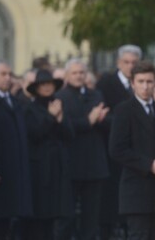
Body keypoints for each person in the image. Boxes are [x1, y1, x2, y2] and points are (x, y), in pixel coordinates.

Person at [109, 61, 155, 240]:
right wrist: (150, 165)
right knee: (139, 235)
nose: (145, 86)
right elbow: (117, 149)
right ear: (132, 83)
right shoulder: (123, 110)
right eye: (140, 81)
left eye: (149, 82)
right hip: (136, 191)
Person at [56, 58, 110, 240]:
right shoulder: (60, 97)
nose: (79, 76)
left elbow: (106, 122)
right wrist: (89, 121)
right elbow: (66, 127)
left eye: (81, 72)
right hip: (71, 165)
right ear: (66, 75)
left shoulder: (96, 95)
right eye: (74, 73)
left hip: (94, 165)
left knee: (91, 219)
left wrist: (99, 119)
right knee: (67, 217)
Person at [96, 44, 142, 239]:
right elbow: (100, 115)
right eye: (126, 62)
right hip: (111, 148)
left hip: (137, 149)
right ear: (118, 63)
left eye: (134, 62)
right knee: (111, 196)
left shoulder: (141, 83)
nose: (130, 66)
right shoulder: (106, 83)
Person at [22, 69, 74, 240]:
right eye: (43, 84)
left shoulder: (59, 104)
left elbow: (69, 135)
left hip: (59, 167)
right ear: (36, 88)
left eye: (49, 84)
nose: (46, 88)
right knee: (41, 216)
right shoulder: (30, 108)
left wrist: (59, 119)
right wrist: (51, 117)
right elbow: (35, 134)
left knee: (60, 215)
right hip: (41, 168)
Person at [0, 60, 32, 240]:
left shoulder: (13, 101)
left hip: (14, 169)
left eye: (10, 74)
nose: (8, 78)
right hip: (0, 170)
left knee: (10, 220)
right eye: (3, 74)